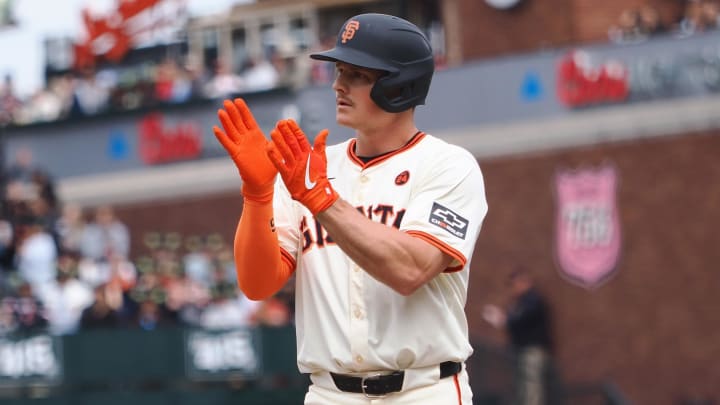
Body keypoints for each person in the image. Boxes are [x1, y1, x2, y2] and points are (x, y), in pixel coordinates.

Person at [213, 13, 488, 404]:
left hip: (423, 390)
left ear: (400, 85)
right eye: (339, 71)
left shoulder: (447, 166)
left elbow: (411, 270)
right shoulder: (307, 172)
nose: (338, 85)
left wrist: (323, 201)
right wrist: (258, 195)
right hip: (329, 393)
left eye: (357, 74)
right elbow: (257, 284)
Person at [482, 268, 554, 405]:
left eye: (515, 284)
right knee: (525, 386)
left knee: (531, 385)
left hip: (532, 349)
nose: (514, 288)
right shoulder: (521, 301)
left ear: (524, 282)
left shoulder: (533, 299)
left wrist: (504, 319)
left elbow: (522, 318)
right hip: (523, 349)